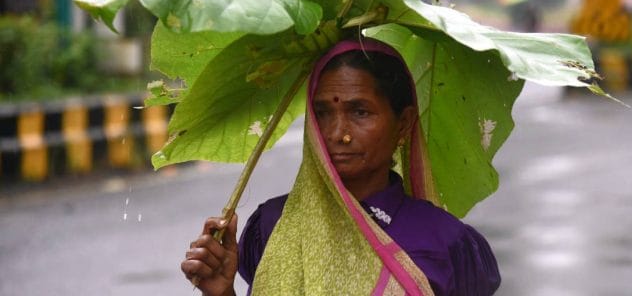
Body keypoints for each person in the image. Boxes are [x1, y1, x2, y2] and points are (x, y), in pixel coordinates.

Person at [181, 38, 501, 295]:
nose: (337, 134)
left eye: (360, 112)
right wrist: (221, 293)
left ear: (402, 124)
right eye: (322, 113)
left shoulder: (446, 241)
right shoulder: (273, 226)